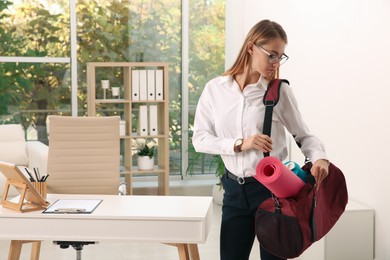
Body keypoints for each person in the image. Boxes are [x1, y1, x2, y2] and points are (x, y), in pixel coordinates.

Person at [192, 19, 329, 260]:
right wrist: (239, 143)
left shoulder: (279, 92)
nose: (276, 64)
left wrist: (320, 158)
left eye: (281, 57)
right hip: (234, 191)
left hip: (272, 192)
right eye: (272, 55)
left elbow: (304, 136)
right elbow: (200, 139)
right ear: (251, 48)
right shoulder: (215, 90)